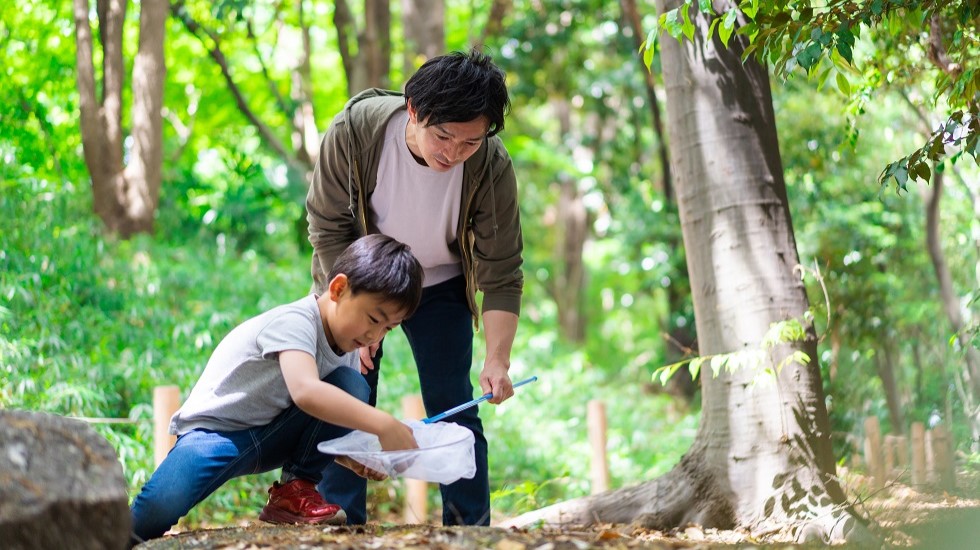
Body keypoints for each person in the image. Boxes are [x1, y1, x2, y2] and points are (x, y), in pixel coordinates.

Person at [307, 48, 524, 526]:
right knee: (345, 395)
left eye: (470, 142)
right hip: (360, 279)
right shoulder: (357, 130)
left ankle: (469, 530)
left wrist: (497, 358)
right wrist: (360, 314)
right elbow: (326, 227)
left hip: (441, 284)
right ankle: (337, 523)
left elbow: (502, 270)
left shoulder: (490, 163)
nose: (452, 152)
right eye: (442, 136)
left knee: (455, 408)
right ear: (412, 109)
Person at [129, 234, 424, 543]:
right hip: (215, 435)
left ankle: (294, 491)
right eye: (373, 319)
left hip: (271, 435)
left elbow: (317, 423)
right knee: (151, 515)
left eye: (387, 328)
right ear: (338, 288)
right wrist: (383, 424)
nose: (374, 334)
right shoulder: (296, 321)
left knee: (352, 385)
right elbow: (305, 392)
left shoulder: (347, 353)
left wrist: (351, 456)